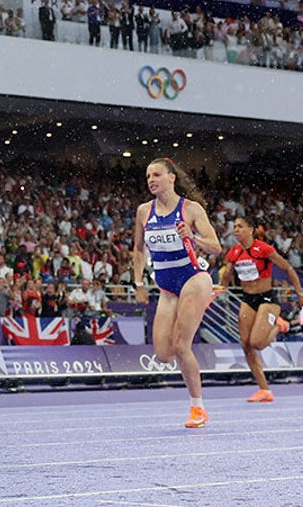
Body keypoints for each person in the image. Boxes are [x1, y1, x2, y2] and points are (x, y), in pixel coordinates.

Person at [132, 157, 222, 429]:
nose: (151, 179)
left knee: (182, 346)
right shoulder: (143, 212)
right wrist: (138, 283)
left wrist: (192, 237)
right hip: (167, 286)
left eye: (157, 174)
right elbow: (137, 249)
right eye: (148, 175)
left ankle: (198, 408)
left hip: (193, 277)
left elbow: (216, 247)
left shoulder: (191, 209)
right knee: (163, 354)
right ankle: (197, 304)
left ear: (172, 178)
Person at [221, 215, 303, 404]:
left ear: (251, 230)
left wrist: (299, 293)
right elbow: (226, 276)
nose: (236, 230)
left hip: (267, 298)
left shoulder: (263, 249)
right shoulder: (233, 252)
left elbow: (288, 268)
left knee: (257, 343)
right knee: (246, 345)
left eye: (240, 226)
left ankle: (280, 325)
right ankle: (264, 390)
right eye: (234, 227)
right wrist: (220, 285)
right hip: (247, 299)